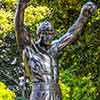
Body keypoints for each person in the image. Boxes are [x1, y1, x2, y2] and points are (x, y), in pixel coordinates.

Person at [15, 0, 96, 100]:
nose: (48, 36)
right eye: (45, 33)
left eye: (51, 33)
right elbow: (20, 28)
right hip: (40, 91)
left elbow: (71, 34)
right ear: (39, 34)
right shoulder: (30, 48)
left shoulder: (54, 48)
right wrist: (21, 6)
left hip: (56, 91)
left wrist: (83, 16)